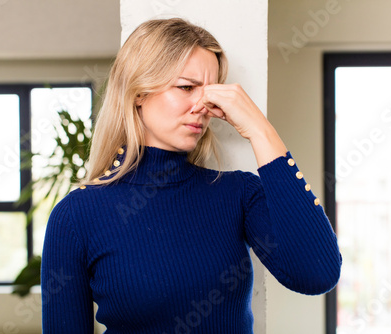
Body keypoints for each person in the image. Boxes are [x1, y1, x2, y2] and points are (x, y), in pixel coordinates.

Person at [41, 18, 342, 333]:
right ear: (139, 92)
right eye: (186, 87)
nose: (202, 105)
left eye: (211, 93)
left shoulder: (237, 194)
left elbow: (318, 273)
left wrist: (259, 129)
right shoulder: (77, 215)